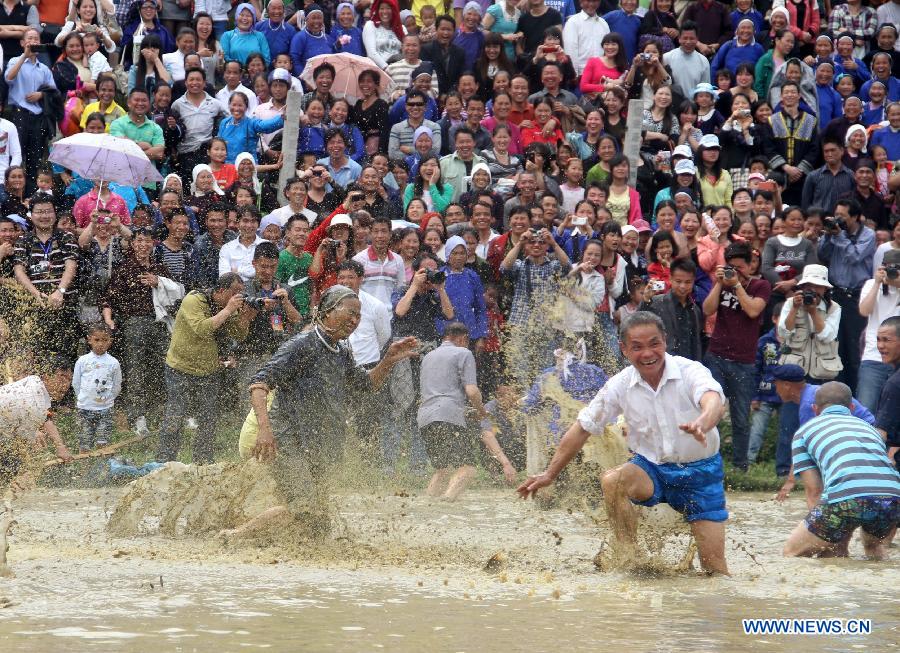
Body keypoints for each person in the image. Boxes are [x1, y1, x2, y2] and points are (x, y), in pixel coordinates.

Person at [518, 311, 729, 575]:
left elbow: (713, 401)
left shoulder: (690, 371)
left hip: (702, 474)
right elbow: (582, 427)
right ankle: (629, 558)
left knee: (715, 572)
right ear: (624, 349)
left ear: (665, 341)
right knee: (613, 480)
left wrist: (703, 422)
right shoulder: (619, 384)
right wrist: (550, 474)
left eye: (654, 344)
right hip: (652, 469)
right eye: (637, 347)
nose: (648, 353)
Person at [235, 286, 419, 536]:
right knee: (305, 508)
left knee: (319, 525)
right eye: (350, 313)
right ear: (328, 311)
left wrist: (387, 360)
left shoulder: (340, 352)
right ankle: (235, 537)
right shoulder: (303, 344)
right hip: (287, 440)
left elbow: (366, 385)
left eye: (358, 316)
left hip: (319, 444)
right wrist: (265, 431)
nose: (355, 321)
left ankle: (279, 551)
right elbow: (258, 385)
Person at [783, 382, 899, 560]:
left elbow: (814, 492)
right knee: (874, 552)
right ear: (852, 407)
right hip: (892, 498)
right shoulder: (871, 430)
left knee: (791, 553)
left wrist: (827, 534)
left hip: (846, 499)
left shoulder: (803, 433)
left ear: (815, 409)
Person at [157, 272, 252, 464]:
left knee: (208, 420)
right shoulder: (194, 300)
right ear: (223, 290)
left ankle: (203, 462)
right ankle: (164, 463)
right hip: (180, 368)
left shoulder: (229, 307)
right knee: (175, 417)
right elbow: (202, 329)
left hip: (208, 371)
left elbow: (239, 335)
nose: (238, 297)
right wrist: (228, 310)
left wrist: (247, 317)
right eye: (235, 292)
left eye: (241, 293)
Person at [702, 242, 771, 472]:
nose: (736, 272)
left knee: (741, 418)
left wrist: (737, 286)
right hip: (717, 355)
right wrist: (720, 284)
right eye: (732, 267)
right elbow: (707, 309)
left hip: (744, 361)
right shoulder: (723, 283)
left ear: (751, 265)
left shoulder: (761, 285)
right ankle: (712, 463)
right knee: (713, 412)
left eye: (740, 267)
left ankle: (740, 467)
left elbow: (753, 310)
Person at [418, 321, 486, 501]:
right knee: (468, 468)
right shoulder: (464, 353)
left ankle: (429, 504)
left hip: (425, 417)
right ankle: (447, 503)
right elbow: (471, 390)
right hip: (448, 415)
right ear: (464, 339)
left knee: (444, 469)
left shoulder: (428, 356)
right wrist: (481, 410)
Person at [818, 198, 876, 393]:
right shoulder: (834, 233)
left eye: (842, 216)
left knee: (853, 347)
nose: (838, 219)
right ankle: (837, 393)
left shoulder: (868, 235)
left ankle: (856, 394)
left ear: (855, 217)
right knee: (835, 346)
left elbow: (854, 257)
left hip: (855, 298)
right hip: (835, 295)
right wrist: (827, 235)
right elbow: (822, 254)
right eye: (836, 215)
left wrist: (839, 236)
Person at [5, 27, 56, 194]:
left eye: (36, 39)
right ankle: (14, 196)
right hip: (19, 115)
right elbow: (8, 78)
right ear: (22, 43)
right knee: (17, 157)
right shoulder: (14, 61)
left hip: (38, 117)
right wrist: (24, 57)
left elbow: (53, 93)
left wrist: (41, 94)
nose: (33, 42)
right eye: (30, 39)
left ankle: (31, 197)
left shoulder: (44, 68)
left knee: (35, 160)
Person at [857, 250, 900, 413]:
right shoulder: (871, 284)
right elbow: (864, 310)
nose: (892, 272)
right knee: (866, 408)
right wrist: (876, 283)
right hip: (873, 357)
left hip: (899, 359)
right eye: (888, 267)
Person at [639, 257, 703, 361]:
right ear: (670, 279)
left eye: (687, 282)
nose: (682, 286)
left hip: (689, 367)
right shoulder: (656, 302)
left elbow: (696, 343)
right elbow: (638, 323)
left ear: (693, 282)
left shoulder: (695, 310)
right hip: (663, 364)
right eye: (678, 281)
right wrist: (646, 299)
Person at [72, 323, 122, 453]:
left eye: (104, 340)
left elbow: (117, 384)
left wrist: (109, 398)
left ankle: (102, 466)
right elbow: (76, 383)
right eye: (97, 340)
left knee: (103, 441)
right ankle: (84, 466)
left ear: (110, 341)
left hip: (105, 409)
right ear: (89, 340)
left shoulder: (113, 363)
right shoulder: (82, 361)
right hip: (85, 408)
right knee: (85, 441)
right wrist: (82, 398)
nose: (100, 344)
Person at [352, 216, 406, 306]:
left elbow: (400, 290)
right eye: (376, 231)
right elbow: (354, 289)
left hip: (390, 316)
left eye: (384, 231)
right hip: (366, 315)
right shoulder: (359, 259)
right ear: (370, 234)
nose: (380, 236)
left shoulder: (398, 260)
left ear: (390, 234)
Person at [800, 139, 855, 215]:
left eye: (833, 150)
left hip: (842, 221)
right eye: (826, 151)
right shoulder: (813, 176)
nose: (829, 154)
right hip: (818, 222)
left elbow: (854, 202)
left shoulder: (851, 176)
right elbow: (805, 204)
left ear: (842, 151)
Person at [875, 316, 900, 467]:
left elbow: (880, 434)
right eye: (878, 340)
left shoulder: (894, 384)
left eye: (886, 340)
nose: (880, 346)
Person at [664, 21, 710, 101]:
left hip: (692, 109)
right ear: (679, 39)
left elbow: (705, 89)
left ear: (697, 39)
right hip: (670, 106)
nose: (688, 42)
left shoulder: (703, 61)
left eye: (691, 38)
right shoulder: (667, 57)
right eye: (685, 38)